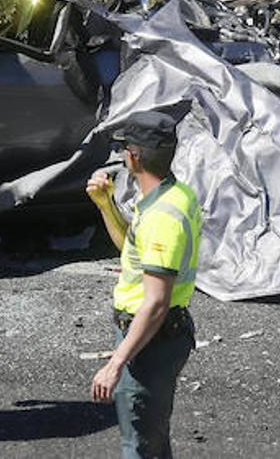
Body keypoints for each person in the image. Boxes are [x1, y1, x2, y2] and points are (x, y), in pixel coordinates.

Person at [86, 111, 201, 459]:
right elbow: (132, 250)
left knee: (138, 446)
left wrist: (115, 363)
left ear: (133, 156)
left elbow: (155, 302)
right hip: (157, 336)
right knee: (152, 441)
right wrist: (105, 204)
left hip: (149, 339)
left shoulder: (163, 217)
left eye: (123, 149)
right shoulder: (173, 194)